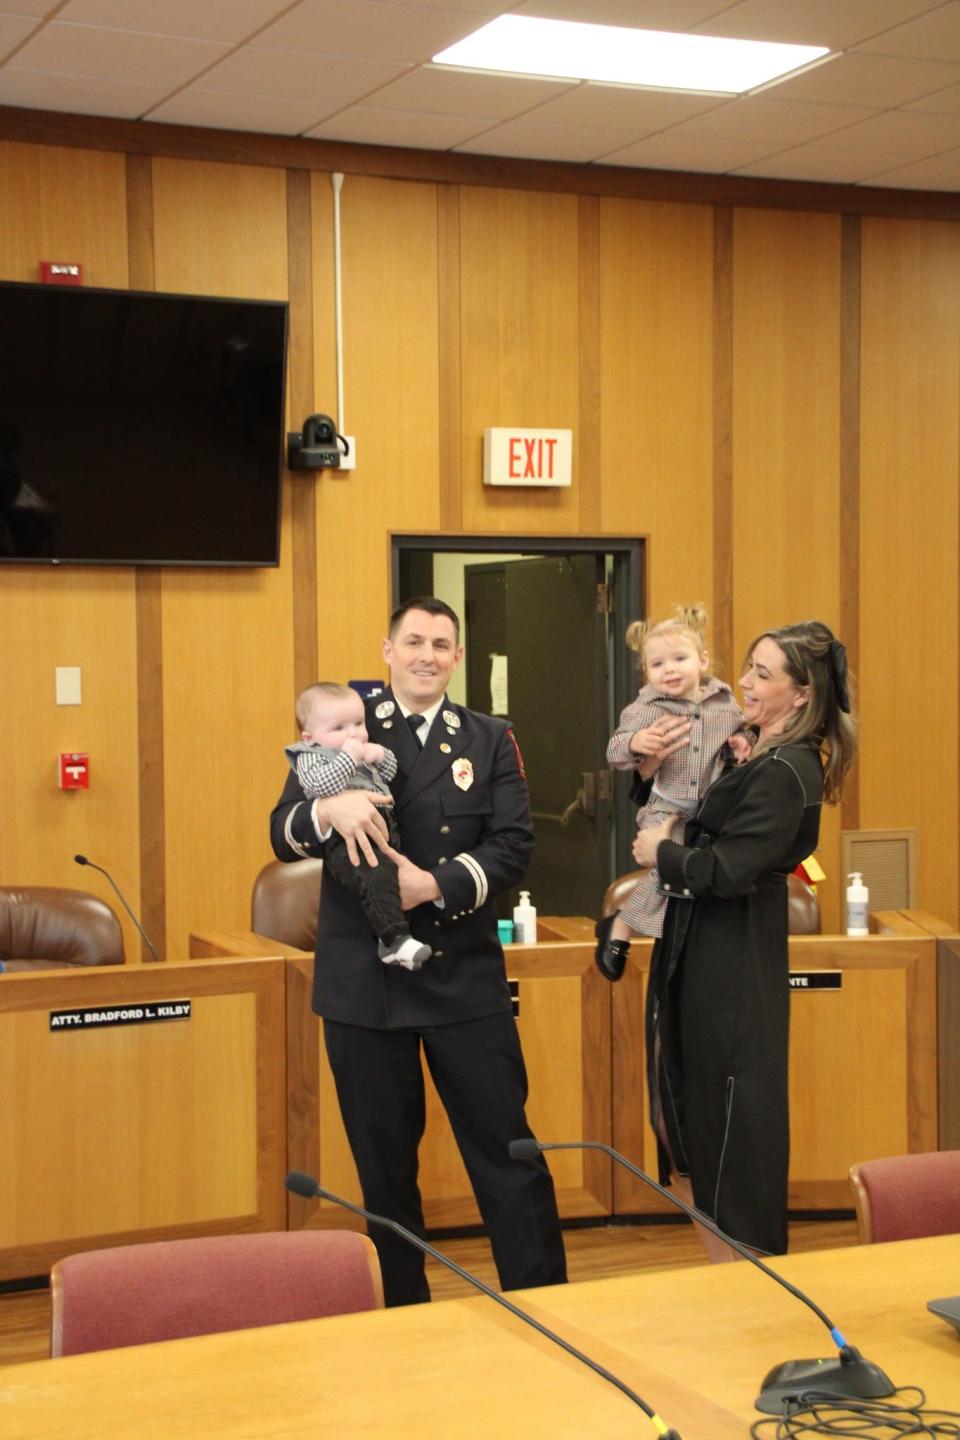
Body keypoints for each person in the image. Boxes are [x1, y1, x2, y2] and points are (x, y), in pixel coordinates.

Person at [270, 596, 567, 1306]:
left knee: (508, 1155)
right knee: (385, 1173)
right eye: (413, 641)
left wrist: (431, 885)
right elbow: (282, 832)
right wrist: (325, 810)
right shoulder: (343, 723)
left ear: (457, 659)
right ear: (388, 650)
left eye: (441, 644)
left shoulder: (490, 737)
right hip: (365, 991)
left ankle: (550, 1306)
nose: (427, 655)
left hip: (463, 980)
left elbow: (514, 846)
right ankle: (401, 1319)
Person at [633, 620, 856, 1259]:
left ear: (803, 694)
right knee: (688, 1117)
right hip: (698, 943)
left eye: (763, 674)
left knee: (729, 1122)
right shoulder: (753, 748)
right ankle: (720, 1276)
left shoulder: (788, 769)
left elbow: (726, 869)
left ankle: (748, 1282)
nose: (745, 682)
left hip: (732, 955)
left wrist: (663, 853)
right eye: (749, 668)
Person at [596, 604, 747, 980]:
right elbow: (615, 753)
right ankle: (621, 929)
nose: (670, 670)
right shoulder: (645, 707)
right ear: (646, 672)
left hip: (710, 811)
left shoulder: (724, 702)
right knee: (667, 861)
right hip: (666, 805)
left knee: (695, 871)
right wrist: (637, 741)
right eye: (658, 664)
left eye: (679, 659)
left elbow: (748, 730)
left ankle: (682, 943)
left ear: (703, 660)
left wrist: (744, 741)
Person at [285, 682, 431, 971]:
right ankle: (395, 939)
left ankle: (390, 940)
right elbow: (323, 785)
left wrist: (380, 756)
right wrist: (350, 758)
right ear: (309, 736)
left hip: (384, 830)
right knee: (374, 878)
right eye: (339, 728)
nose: (353, 733)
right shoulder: (311, 755)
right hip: (346, 841)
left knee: (386, 879)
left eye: (358, 723)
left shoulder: (358, 747)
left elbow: (389, 775)